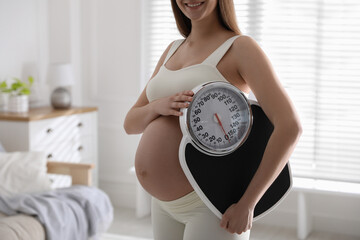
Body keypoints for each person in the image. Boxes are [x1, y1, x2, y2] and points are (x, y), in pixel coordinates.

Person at [124, 0, 302, 239]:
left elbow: (290, 126)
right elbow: (131, 123)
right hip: (163, 205)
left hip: (211, 204)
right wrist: (158, 106)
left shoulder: (240, 48)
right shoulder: (172, 49)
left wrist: (248, 203)